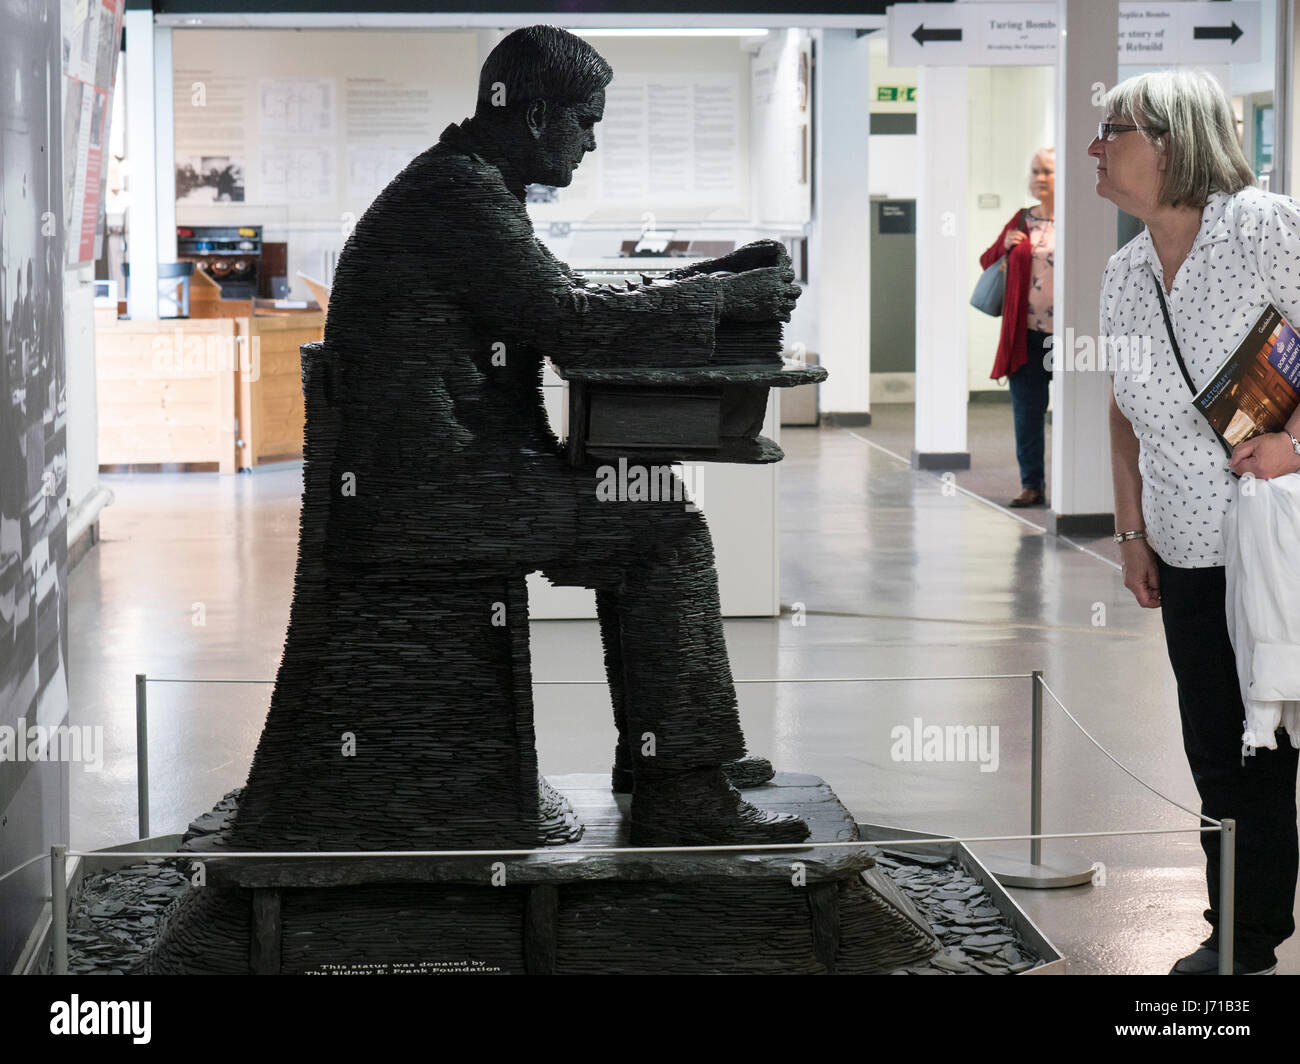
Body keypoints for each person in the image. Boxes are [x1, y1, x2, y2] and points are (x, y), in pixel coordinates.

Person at [233, 26, 810, 848]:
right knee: (664, 535)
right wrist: (725, 300)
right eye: (588, 121)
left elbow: (560, 292)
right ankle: (677, 784)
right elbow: (575, 324)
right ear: (538, 115)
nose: (593, 140)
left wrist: (707, 279)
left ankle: (662, 759)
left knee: (653, 517)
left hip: (446, 474)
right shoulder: (458, 197)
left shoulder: (467, 184)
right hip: (436, 494)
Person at [1098, 68, 1300, 975]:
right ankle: (1243, 938)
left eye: (1115, 130)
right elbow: (1121, 409)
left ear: (1171, 141)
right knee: (1223, 751)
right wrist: (1131, 532)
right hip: (1186, 549)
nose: (1098, 147)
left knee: (1283, 734)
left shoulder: (1263, 228)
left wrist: (1296, 443)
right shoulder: (1125, 272)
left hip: (1281, 536)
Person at [979, 148, 1056, 507]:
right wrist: (1006, 248)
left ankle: (1084, 488)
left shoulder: (1078, 220)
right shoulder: (1022, 220)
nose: (1039, 178)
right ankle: (1032, 484)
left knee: (1077, 413)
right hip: (1026, 337)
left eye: (1048, 172)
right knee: (1027, 414)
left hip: (1070, 339)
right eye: (1035, 171)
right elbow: (987, 261)